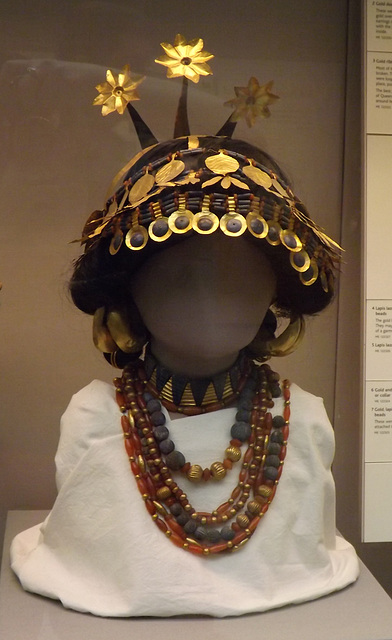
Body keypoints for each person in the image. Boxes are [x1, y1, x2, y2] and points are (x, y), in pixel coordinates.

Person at [10, 36, 359, 617]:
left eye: (239, 275)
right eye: (177, 274)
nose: (209, 298)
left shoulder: (305, 423)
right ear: (131, 292)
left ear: (277, 291)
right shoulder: (94, 422)